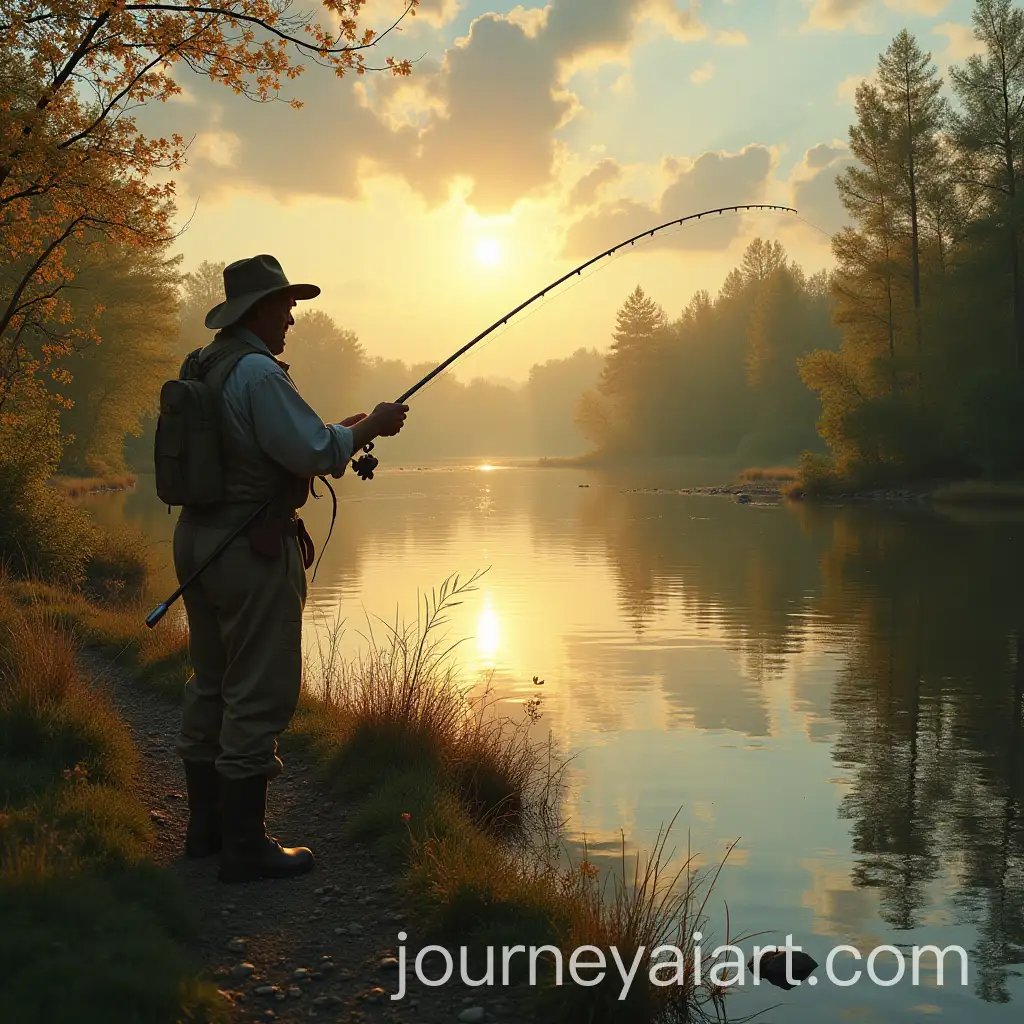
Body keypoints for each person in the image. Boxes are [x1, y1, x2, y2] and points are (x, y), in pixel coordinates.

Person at [173, 254, 408, 883]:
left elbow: (279, 442)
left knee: (211, 680)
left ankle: (206, 832)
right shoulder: (258, 373)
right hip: (249, 548)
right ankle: (246, 848)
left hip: (198, 539)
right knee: (257, 688)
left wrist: (343, 430)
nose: (293, 316)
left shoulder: (206, 364)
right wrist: (371, 428)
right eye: (284, 305)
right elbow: (311, 450)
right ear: (258, 312)